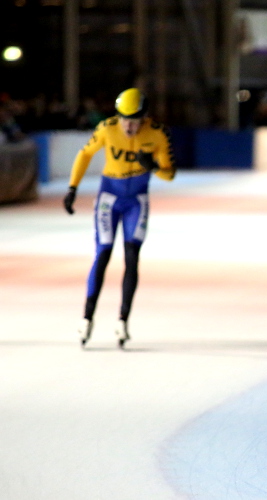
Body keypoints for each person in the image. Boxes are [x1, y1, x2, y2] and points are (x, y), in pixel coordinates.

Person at [63, 88, 175, 348]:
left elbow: (170, 174)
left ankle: (123, 320)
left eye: (134, 120)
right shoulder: (107, 128)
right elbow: (85, 154)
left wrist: (155, 168)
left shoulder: (157, 133)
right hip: (109, 199)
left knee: (132, 257)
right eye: (125, 119)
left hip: (137, 201)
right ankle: (87, 317)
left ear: (144, 118)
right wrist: (72, 188)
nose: (129, 126)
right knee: (102, 254)